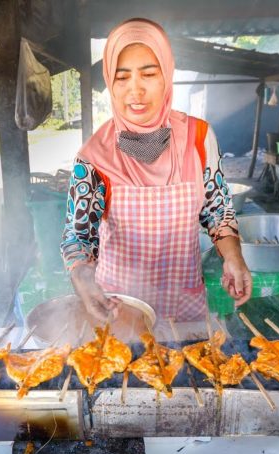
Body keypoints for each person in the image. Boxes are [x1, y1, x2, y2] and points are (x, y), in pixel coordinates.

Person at [60, 18, 251, 324]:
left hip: (184, 307)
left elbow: (217, 210)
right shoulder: (94, 156)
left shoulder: (198, 138)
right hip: (121, 310)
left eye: (148, 74)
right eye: (122, 78)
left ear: (167, 75)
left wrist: (233, 257)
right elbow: (78, 235)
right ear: (110, 81)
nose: (135, 90)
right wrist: (83, 277)